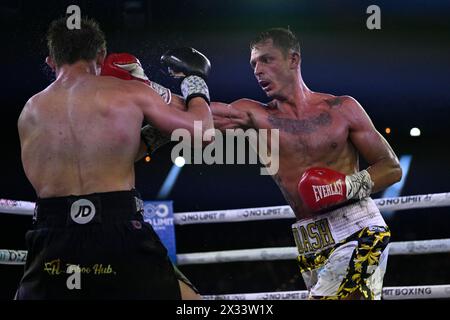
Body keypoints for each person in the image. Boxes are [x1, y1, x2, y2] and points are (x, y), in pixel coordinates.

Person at [15, 16, 212, 299]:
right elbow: (202, 131)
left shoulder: (29, 111)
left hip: (51, 235)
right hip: (117, 229)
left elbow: (91, 156)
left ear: (51, 61)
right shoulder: (128, 92)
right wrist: (196, 83)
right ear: (101, 55)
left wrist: (152, 135)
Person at [210, 28, 402, 300]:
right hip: (310, 240)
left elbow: (391, 167)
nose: (257, 70)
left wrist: (344, 186)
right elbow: (191, 119)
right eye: (253, 64)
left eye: (266, 60)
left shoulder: (341, 108)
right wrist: (164, 89)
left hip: (359, 229)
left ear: (293, 59)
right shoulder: (253, 115)